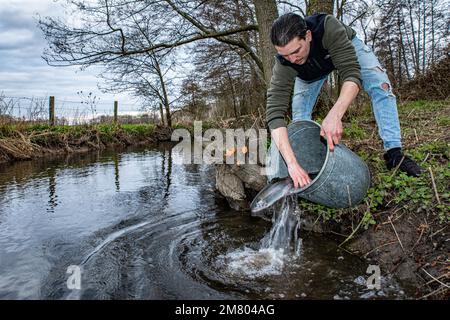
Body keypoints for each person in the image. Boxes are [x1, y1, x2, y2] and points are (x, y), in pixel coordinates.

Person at [266, 12, 423, 189]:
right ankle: (305, 166)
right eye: (285, 55)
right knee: (299, 119)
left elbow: (351, 73)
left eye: (296, 51)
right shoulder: (285, 62)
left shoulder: (328, 28)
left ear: (308, 35)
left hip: (343, 50)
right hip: (309, 72)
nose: (292, 59)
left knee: (381, 86)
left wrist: (335, 114)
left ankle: (394, 154)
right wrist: (292, 163)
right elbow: (274, 113)